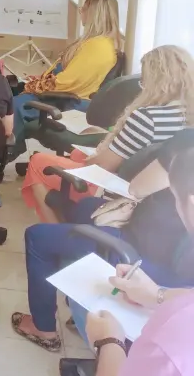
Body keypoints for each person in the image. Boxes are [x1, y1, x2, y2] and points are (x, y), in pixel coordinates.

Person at [11, 131, 194, 353]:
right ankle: (82, 302)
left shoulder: (187, 143)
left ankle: (43, 329)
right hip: (178, 268)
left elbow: (137, 188)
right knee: (86, 207)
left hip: (142, 255)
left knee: (37, 237)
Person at [21, 45, 193, 223]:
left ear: (156, 83)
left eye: (144, 81)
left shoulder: (147, 118)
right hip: (159, 196)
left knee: (38, 163)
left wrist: (92, 159)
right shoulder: (188, 117)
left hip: (120, 193)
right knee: (77, 154)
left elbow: (104, 165)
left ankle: (56, 229)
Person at [83, 146, 194, 376]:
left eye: (174, 198)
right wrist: (157, 294)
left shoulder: (174, 337)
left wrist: (109, 342)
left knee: (88, 308)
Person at [12, 0, 123, 138]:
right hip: (65, 96)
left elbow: (67, 82)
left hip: (68, 102)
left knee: (14, 104)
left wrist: (35, 85)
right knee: (13, 92)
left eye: (83, 9)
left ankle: (10, 148)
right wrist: (40, 79)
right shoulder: (97, 43)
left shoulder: (98, 47)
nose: (80, 12)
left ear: (93, 14)